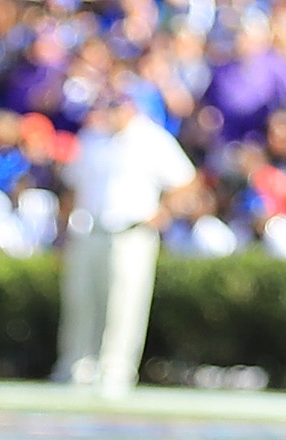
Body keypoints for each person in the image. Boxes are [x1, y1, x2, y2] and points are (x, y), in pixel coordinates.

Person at [53, 88, 196, 395]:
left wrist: (162, 212)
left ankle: (115, 371)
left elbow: (185, 181)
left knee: (124, 305)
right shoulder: (92, 138)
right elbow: (72, 185)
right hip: (89, 230)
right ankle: (77, 366)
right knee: (82, 302)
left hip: (130, 233)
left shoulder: (153, 140)